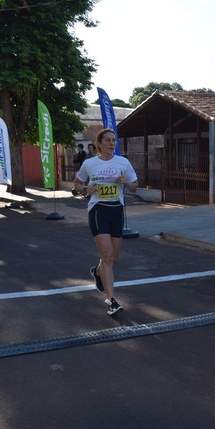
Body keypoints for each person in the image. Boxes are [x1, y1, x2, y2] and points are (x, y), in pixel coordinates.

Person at [74, 128, 139, 315]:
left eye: (114, 140)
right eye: (108, 140)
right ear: (100, 143)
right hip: (98, 210)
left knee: (113, 257)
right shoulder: (90, 163)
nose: (112, 144)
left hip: (116, 211)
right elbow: (76, 184)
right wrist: (86, 188)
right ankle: (111, 300)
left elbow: (135, 187)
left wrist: (126, 183)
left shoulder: (123, 162)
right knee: (107, 255)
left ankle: (97, 272)